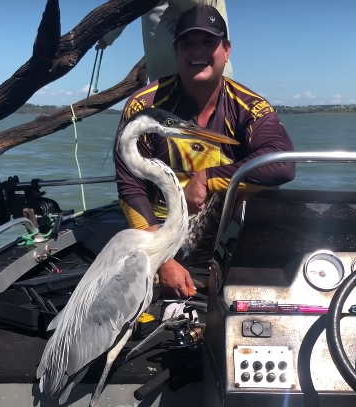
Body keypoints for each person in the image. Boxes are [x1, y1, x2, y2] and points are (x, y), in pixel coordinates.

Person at [112, 4, 296, 299]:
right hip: (159, 231)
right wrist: (162, 259)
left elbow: (282, 164)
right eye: (188, 43)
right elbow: (130, 186)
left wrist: (208, 177)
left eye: (208, 42)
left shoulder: (249, 106)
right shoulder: (144, 107)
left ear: (227, 50)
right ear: (176, 51)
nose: (197, 52)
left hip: (223, 226)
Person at [97, 0, 233, 83]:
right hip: (163, 76)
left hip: (212, 77)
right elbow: (123, 6)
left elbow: (200, 5)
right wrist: (106, 35)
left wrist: (106, 34)